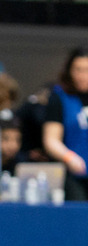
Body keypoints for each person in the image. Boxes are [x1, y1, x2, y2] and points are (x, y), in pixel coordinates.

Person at [44, 47, 88, 201]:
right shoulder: (60, 97)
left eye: (86, 70)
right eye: (78, 70)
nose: (82, 76)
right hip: (73, 174)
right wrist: (69, 158)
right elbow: (51, 139)